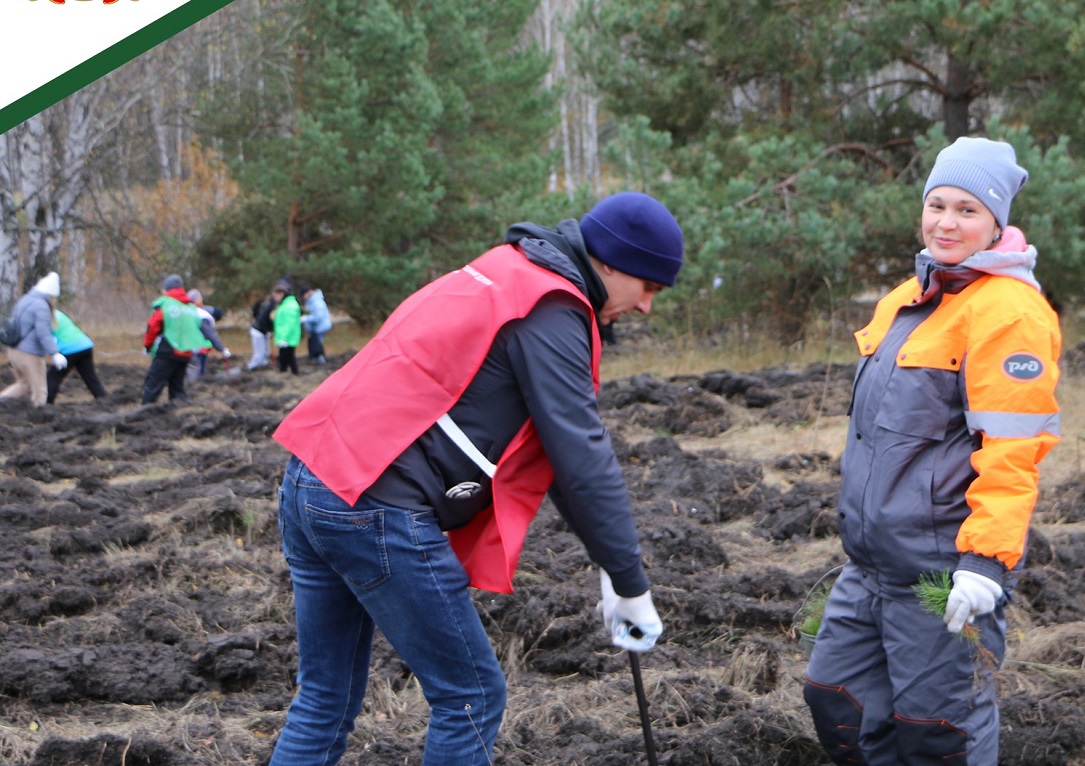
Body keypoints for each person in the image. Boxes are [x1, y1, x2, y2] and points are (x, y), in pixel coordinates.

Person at [267, 191, 683, 765]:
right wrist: (634, 584)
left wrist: (615, 568)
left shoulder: (508, 268)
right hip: (374, 503)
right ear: (610, 261)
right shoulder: (552, 307)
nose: (646, 308)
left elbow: (559, 453)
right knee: (471, 696)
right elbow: (583, 456)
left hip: (313, 479)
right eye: (650, 289)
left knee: (324, 697)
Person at [803, 137, 1061, 765]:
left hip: (943, 572)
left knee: (938, 734)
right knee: (838, 703)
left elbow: (1013, 454)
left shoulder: (1009, 313)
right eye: (936, 204)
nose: (946, 222)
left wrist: (985, 565)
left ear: (996, 221)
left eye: (968, 210)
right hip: (870, 564)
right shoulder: (907, 299)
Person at [141, 274, 230, 404]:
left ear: (166, 290)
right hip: (185, 353)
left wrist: (148, 346)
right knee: (177, 388)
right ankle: (180, 414)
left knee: (152, 385)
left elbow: (153, 327)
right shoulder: (190, 308)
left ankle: (144, 413)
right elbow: (205, 330)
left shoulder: (166, 305)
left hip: (167, 351)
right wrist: (220, 348)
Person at [0, 271, 66, 407]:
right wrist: (55, 353)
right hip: (29, 355)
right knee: (39, 392)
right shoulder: (41, 306)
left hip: (14, 352)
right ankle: (41, 422)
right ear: (51, 295)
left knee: (24, 385)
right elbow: (43, 333)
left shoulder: (25, 299)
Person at [47, 309, 107, 404]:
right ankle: (104, 401)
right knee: (90, 378)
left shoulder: (44, 315)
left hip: (70, 349)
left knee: (52, 377)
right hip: (85, 345)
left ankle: (47, 405)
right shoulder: (57, 313)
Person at [185, 288, 227, 381]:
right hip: (196, 349)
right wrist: (222, 348)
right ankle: (193, 388)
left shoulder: (185, 311)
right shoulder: (201, 315)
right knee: (196, 372)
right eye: (199, 299)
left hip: (188, 348)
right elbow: (210, 334)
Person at [271, 279, 301, 375]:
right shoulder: (286, 304)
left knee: (286, 357)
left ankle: (285, 373)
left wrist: (285, 338)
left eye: (276, 295)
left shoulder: (289, 306)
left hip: (288, 338)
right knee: (289, 356)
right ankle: (292, 373)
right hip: (286, 337)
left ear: (282, 294)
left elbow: (289, 324)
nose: (275, 297)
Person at [298, 284, 331, 364]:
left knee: (317, 344)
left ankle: (320, 359)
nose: (303, 297)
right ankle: (316, 358)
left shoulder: (318, 302)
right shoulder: (310, 301)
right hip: (314, 328)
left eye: (304, 295)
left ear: (309, 292)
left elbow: (318, 317)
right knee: (313, 342)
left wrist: (306, 318)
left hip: (320, 327)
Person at [247, 292, 275, 370]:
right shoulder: (269, 307)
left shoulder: (269, 306)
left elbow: (269, 321)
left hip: (262, 331)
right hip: (258, 331)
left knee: (266, 352)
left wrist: (270, 330)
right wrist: (267, 331)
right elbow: (263, 320)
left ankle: (263, 366)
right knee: (260, 353)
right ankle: (251, 367)